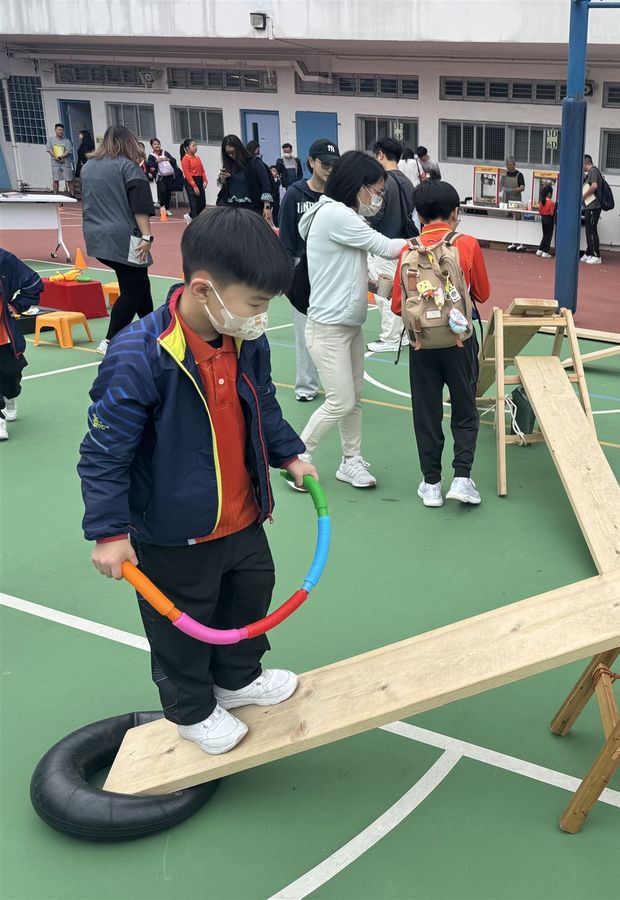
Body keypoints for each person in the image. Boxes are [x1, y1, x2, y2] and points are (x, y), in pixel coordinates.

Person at [78, 208, 317, 755]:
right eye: (255, 303)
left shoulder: (244, 340)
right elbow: (103, 453)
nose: (261, 317)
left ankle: (237, 679)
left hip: (243, 515)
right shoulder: (140, 355)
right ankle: (191, 710)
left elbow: (262, 405)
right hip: (174, 533)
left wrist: (289, 454)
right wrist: (109, 532)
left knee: (248, 598)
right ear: (205, 290)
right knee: (182, 627)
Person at [295, 151, 407, 490]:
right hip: (328, 328)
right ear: (357, 186)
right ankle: (297, 457)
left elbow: (341, 267)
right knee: (340, 401)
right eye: (376, 191)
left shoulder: (338, 215)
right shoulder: (336, 214)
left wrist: (371, 285)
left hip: (348, 324)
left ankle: (351, 461)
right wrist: (430, 241)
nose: (377, 199)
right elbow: (387, 247)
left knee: (353, 399)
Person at [390, 179, 491, 508]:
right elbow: (482, 293)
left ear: (419, 215)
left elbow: (397, 306)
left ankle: (431, 483)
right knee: (464, 409)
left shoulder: (408, 249)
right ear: (455, 213)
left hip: (421, 343)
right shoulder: (467, 244)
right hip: (459, 341)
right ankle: (462, 478)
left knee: (426, 412)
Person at [81, 126, 154, 355]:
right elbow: (140, 206)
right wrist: (147, 236)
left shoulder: (88, 167)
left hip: (95, 235)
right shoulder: (129, 168)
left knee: (139, 281)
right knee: (133, 288)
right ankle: (110, 339)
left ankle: (155, 330)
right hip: (124, 236)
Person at [279, 138, 339, 404]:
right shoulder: (294, 194)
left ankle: (336, 384)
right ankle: (306, 385)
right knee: (304, 331)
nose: (329, 169)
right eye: (325, 164)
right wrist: (287, 276)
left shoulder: (337, 196)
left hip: (331, 269)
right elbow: (286, 238)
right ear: (312, 162)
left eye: (333, 165)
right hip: (301, 268)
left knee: (334, 330)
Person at [366, 136, 419, 354]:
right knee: (401, 291)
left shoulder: (383, 182)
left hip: (384, 243)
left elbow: (376, 213)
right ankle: (402, 333)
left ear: (380, 154)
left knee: (384, 293)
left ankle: (390, 337)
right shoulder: (407, 181)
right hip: (403, 244)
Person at [0, 249, 44, 441]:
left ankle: (10, 394)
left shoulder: (4, 260)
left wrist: (17, 305)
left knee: (11, 372)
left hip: (3, 333)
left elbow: (33, 282)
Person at [215, 134, 274, 223]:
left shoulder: (255, 162)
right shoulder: (229, 165)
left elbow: (266, 185)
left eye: (232, 152)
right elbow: (221, 185)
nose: (230, 155)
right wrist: (222, 178)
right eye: (227, 153)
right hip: (232, 209)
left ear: (239, 149)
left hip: (252, 209)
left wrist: (267, 207)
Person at [580, 154, 604, 264]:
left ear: (585, 163)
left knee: (592, 230)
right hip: (590, 206)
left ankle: (596, 255)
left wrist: (584, 196)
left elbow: (594, 186)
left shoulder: (593, 171)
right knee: (589, 230)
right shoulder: (591, 172)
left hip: (593, 206)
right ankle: (589, 252)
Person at [148, 138, 180, 216]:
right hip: (160, 177)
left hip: (169, 175)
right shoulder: (151, 156)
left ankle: (167, 208)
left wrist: (167, 159)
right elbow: (150, 166)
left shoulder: (165, 152)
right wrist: (156, 162)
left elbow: (174, 161)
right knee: (162, 191)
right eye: (155, 144)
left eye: (158, 144)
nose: (157, 145)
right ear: (152, 146)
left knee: (168, 192)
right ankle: (162, 208)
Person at [181, 138, 207, 222]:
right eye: (193, 146)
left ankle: (189, 216)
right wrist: (194, 186)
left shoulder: (197, 158)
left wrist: (205, 180)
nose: (195, 147)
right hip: (191, 182)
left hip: (199, 180)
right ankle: (195, 222)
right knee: (194, 204)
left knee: (202, 204)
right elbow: (187, 174)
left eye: (196, 145)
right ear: (187, 148)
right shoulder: (185, 159)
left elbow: (202, 170)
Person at [47, 123, 75, 196]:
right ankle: (55, 195)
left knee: (69, 179)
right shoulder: (51, 140)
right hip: (55, 164)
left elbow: (69, 151)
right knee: (55, 180)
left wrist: (61, 157)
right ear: (55, 130)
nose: (60, 131)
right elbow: (49, 150)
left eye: (62, 130)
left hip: (65, 163)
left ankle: (72, 195)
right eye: (59, 130)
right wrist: (55, 157)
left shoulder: (67, 141)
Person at [536, 181, 556, 258]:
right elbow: (552, 213)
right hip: (549, 219)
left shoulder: (542, 201)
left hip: (543, 218)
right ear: (549, 194)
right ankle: (546, 251)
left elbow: (540, 211)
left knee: (545, 234)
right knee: (549, 235)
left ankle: (540, 249)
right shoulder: (551, 203)